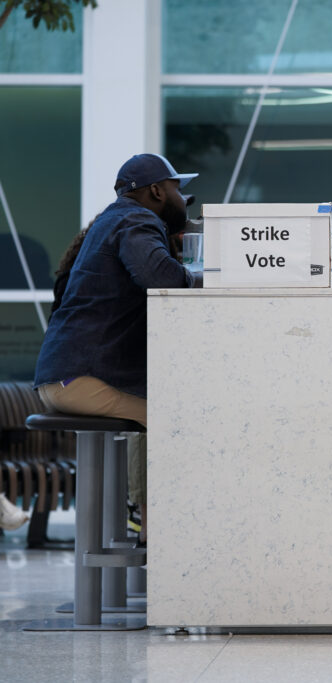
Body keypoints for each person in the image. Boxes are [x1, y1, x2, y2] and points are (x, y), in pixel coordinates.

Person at [34, 153, 199, 543]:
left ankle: (144, 524)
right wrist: (200, 274)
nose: (183, 201)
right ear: (157, 191)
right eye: (178, 190)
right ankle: (157, 532)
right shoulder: (136, 219)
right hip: (82, 379)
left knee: (161, 411)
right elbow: (161, 278)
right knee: (184, 422)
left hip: (66, 377)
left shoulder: (112, 220)